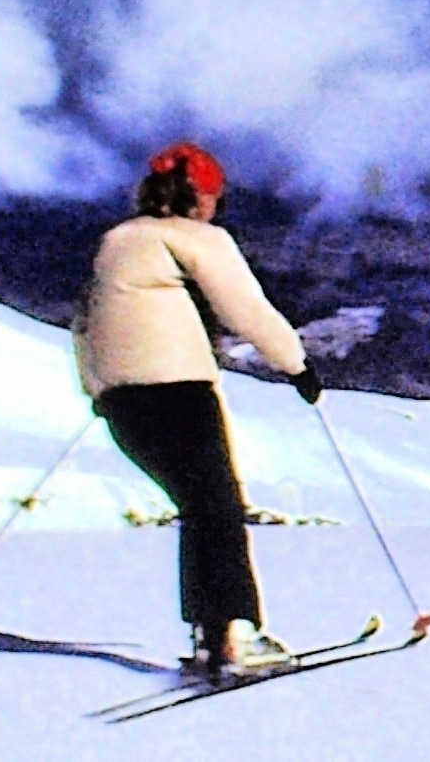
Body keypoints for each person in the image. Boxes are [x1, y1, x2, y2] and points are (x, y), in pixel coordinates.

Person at [73, 142, 323, 676]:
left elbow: (83, 322)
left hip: (121, 400)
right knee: (219, 506)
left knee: (199, 506)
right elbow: (245, 307)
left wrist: (97, 389)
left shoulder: (114, 242)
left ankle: (210, 635)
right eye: (212, 195)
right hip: (179, 388)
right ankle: (234, 633)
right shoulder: (196, 238)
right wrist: (296, 365)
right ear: (199, 196)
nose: (215, 205)